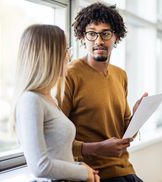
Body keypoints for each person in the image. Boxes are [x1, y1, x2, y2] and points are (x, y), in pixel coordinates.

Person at [56, 2, 147, 182]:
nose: (99, 41)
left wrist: (138, 116)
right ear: (83, 37)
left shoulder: (120, 75)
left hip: (124, 169)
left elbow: (123, 136)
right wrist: (98, 148)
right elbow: (55, 140)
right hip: (92, 174)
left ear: (116, 37)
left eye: (105, 33)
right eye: (91, 34)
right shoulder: (69, 75)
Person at [14, 24, 100, 182]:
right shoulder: (31, 100)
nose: (69, 57)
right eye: (66, 51)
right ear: (50, 56)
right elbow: (40, 166)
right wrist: (82, 172)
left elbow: (58, 153)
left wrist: (80, 166)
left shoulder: (49, 99)